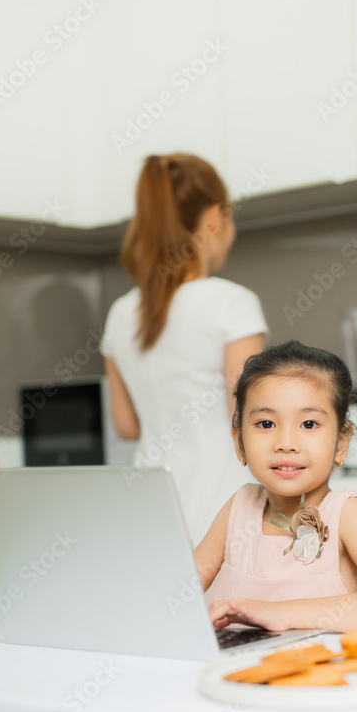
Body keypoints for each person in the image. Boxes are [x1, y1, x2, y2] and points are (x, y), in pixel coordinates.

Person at [100, 153, 268, 544]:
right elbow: (254, 421)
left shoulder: (121, 312)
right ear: (213, 219)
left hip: (148, 512)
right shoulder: (231, 302)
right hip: (222, 511)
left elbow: (126, 426)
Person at [194, 341, 357, 633]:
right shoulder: (239, 508)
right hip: (235, 673)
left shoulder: (347, 515)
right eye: (266, 423)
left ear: (341, 442)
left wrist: (279, 614)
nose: (286, 443)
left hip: (316, 674)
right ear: (239, 441)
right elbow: (180, 592)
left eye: (308, 424)